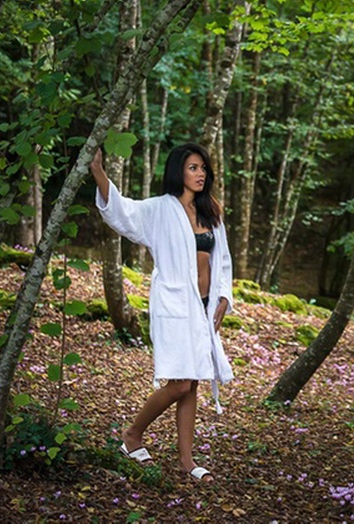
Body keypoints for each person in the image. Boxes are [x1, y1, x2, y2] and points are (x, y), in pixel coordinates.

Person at [90, 143, 235, 482]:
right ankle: (132, 434)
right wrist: (99, 174)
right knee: (181, 383)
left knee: (193, 382)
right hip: (174, 306)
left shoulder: (211, 211)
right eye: (193, 168)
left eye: (203, 168)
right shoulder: (160, 209)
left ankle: (187, 461)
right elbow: (124, 213)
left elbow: (223, 260)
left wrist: (225, 297)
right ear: (178, 172)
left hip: (203, 308)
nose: (201, 174)